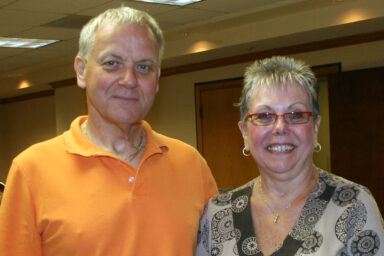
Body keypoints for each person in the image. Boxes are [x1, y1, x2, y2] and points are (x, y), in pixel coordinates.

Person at [0, 6, 218, 256]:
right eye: (112, 63)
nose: (129, 80)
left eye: (144, 67)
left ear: (157, 78)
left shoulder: (192, 165)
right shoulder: (31, 171)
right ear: (81, 70)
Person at [196, 56, 384, 256]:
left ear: (315, 128)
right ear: (244, 132)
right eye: (264, 116)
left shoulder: (354, 206)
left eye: (295, 115)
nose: (280, 128)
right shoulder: (217, 214)